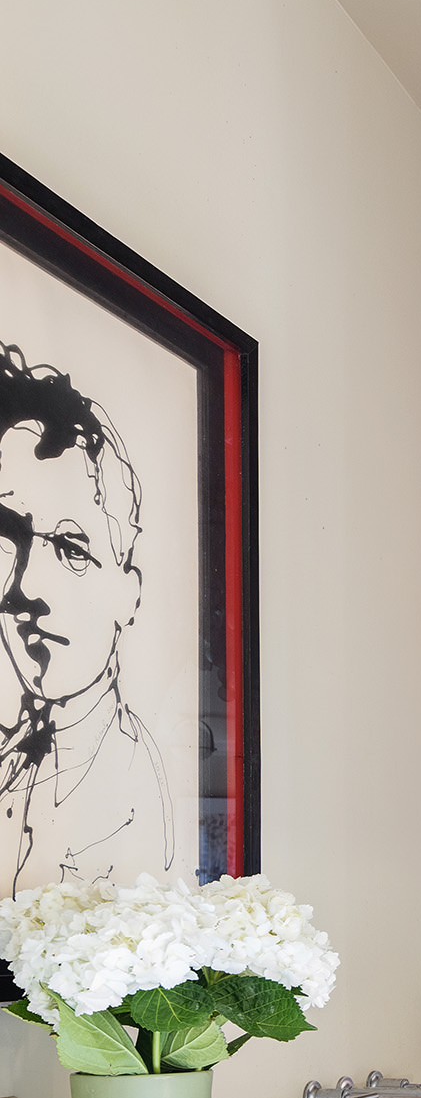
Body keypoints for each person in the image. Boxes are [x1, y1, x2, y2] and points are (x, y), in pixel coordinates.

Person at [0, 342, 174, 891]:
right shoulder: (11, 751)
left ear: (129, 593)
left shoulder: (133, 798)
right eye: (10, 538)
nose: (24, 588)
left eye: (73, 550)